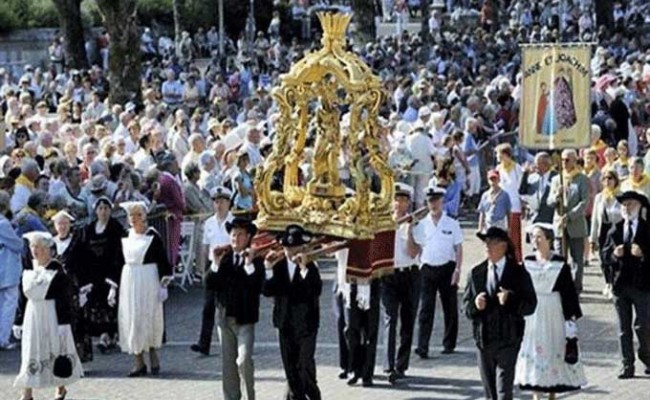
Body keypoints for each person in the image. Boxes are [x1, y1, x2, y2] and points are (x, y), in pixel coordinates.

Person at [463, 227, 537, 400]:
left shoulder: (518, 273)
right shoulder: (476, 273)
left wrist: (510, 299)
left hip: (508, 340)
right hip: (484, 340)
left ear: (503, 246)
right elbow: (465, 307)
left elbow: (531, 305)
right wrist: (475, 305)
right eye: (486, 243)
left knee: (504, 392)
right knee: (491, 393)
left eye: (492, 243)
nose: (487, 247)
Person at [515, 223, 587, 399]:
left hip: (554, 311)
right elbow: (520, 290)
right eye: (533, 237)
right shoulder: (527, 263)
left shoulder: (560, 264)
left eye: (539, 236)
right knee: (533, 348)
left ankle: (553, 392)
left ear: (549, 239)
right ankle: (536, 393)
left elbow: (568, 293)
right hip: (533, 313)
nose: (536, 240)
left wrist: (570, 320)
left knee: (553, 346)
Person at [13, 231, 83, 400]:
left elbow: (64, 299)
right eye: (33, 247)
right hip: (32, 315)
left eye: (40, 247)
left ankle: (60, 387)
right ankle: (27, 391)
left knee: (54, 349)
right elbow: (22, 296)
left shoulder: (57, 270)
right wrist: (18, 320)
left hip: (51, 315)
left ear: (48, 249)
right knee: (31, 350)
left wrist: (64, 324)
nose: (36, 251)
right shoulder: (29, 268)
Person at [263, 225, 322, 400]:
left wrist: (304, 269)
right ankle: (297, 397)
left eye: (294, 247)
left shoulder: (310, 266)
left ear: (302, 248)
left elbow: (315, 290)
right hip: (285, 324)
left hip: (306, 326)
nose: (290, 251)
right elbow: (267, 291)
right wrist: (267, 268)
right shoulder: (278, 265)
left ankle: (313, 394)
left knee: (304, 365)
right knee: (290, 368)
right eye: (287, 248)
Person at [117, 201, 173, 377]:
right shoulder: (126, 236)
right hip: (130, 279)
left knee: (148, 316)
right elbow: (118, 261)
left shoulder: (152, 236)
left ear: (145, 216)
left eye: (138, 215)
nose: (134, 219)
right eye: (131, 216)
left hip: (148, 279)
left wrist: (163, 283)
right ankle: (138, 361)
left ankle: (154, 356)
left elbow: (163, 260)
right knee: (133, 318)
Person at [211, 217, 264, 400]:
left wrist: (249, 265)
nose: (235, 238)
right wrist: (215, 264)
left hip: (245, 320)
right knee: (228, 366)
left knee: (243, 360)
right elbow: (209, 284)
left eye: (240, 234)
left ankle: (250, 396)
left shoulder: (256, 260)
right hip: (225, 320)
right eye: (233, 234)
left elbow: (259, 286)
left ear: (248, 237)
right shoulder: (224, 258)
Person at [602, 191, 650, 379]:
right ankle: (627, 365)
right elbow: (604, 256)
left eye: (630, 204)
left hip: (642, 286)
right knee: (623, 328)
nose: (626, 208)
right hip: (620, 285)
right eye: (623, 205)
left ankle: (646, 357)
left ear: (639, 207)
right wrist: (614, 254)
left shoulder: (647, 229)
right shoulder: (615, 229)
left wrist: (644, 254)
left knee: (644, 326)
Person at [413, 184, 463, 358]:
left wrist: (457, 269)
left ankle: (449, 343)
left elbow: (458, 248)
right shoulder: (421, 224)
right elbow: (417, 246)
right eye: (430, 201)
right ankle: (422, 345)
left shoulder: (452, 223)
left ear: (442, 201)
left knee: (450, 307)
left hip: (447, 267)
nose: (434, 204)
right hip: (427, 268)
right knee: (426, 308)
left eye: (436, 201)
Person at [381, 183, 421, 383]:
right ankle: (388, 366)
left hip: (410, 274)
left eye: (404, 200)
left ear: (408, 203)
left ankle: (401, 364)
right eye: (397, 200)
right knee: (390, 318)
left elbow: (413, 252)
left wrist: (410, 229)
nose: (399, 204)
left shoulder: (415, 223)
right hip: (389, 274)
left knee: (407, 320)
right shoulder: (384, 222)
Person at [76, 196, 126, 353]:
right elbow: (83, 250)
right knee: (97, 305)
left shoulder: (115, 227)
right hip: (94, 273)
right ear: (96, 211)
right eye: (100, 208)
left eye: (106, 208)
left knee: (112, 303)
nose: (103, 212)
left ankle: (115, 334)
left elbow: (120, 250)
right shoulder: (89, 229)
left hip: (111, 270)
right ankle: (103, 335)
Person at [191, 186, 234, 356]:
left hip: (228, 265)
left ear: (228, 203)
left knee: (228, 305)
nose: (219, 205)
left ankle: (231, 340)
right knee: (208, 306)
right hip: (213, 265)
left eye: (222, 201)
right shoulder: (209, 223)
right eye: (216, 202)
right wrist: (201, 268)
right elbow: (205, 247)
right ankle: (204, 343)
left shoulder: (233, 222)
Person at [51, 210, 92, 363]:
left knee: (77, 323)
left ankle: (78, 359)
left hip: (74, 288)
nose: (62, 227)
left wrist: (85, 289)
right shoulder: (51, 244)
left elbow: (85, 266)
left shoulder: (77, 243)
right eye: (59, 224)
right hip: (56, 290)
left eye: (65, 224)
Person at [547, 149, 589, 292]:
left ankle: (576, 288)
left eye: (568, 160)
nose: (564, 163)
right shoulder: (556, 179)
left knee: (577, 260)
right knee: (560, 259)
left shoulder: (582, 179)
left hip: (575, 225)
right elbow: (549, 202)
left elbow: (584, 202)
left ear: (575, 161)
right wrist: (556, 196)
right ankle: (561, 286)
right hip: (560, 226)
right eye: (563, 160)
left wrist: (570, 215)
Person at [590, 170, 622, 299]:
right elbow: (594, 219)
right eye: (605, 179)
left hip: (616, 229)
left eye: (610, 178)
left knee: (615, 259)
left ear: (615, 180)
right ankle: (608, 282)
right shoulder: (599, 197)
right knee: (603, 259)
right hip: (603, 229)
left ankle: (614, 284)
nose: (608, 181)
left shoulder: (621, 195)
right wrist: (592, 238)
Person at [0, 190, 22, 350]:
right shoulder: (3, 224)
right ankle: (3, 338)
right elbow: (17, 244)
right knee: (9, 304)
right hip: (7, 269)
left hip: (4, 269)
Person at [495, 143, 523, 262]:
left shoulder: (517, 168)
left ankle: (516, 259)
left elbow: (521, 187)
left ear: (507, 155)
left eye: (500, 155)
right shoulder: (498, 169)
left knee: (514, 235)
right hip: (502, 206)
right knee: (503, 234)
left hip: (514, 206)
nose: (498, 157)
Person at [519, 152, 556, 225]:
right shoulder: (532, 177)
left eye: (537, 164)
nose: (534, 166)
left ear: (545, 165)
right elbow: (522, 191)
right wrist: (525, 174)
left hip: (550, 219)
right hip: (534, 219)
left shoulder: (555, 177)